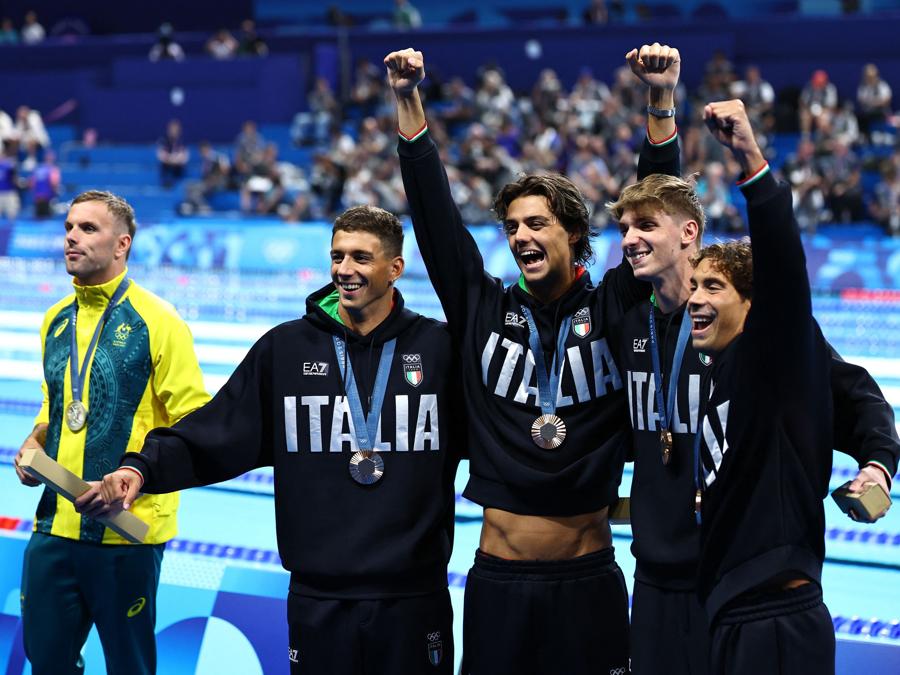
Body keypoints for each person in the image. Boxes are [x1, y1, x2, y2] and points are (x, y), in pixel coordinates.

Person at [612, 45, 899, 675]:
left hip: (756, 593)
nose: (631, 239)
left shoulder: (767, 348)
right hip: (673, 584)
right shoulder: (632, 320)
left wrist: (878, 465)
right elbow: (652, 200)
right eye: (623, 228)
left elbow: (855, 398)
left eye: (713, 290)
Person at [101, 205, 463, 674]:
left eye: (361, 257)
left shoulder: (437, 349)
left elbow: (499, 435)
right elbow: (218, 430)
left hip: (414, 598)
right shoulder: (288, 348)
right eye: (337, 256)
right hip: (319, 599)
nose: (345, 270)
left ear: (395, 268)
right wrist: (142, 468)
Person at [387, 47, 649, 675]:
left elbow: (656, 213)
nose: (522, 237)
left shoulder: (613, 306)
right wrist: (407, 101)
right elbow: (435, 220)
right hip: (499, 581)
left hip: (588, 579)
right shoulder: (483, 306)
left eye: (537, 223)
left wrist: (660, 105)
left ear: (573, 234)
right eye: (511, 227)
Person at [689, 100, 893, 675]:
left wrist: (752, 160)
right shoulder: (718, 368)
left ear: (754, 307)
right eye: (695, 284)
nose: (697, 298)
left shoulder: (771, 353)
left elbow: (782, 264)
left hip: (774, 617)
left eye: (714, 287)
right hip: (732, 612)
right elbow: (855, 398)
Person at [12, 190, 209, 675]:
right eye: (68, 228)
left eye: (87, 229)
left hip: (127, 534)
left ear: (122, 244)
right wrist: (35, 440)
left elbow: (195, 421)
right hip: (54, 526)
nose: (71, 238)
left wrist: (134, 475)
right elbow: (54, 404)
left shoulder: (159, 322)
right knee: (47, 662)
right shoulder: (54, 320)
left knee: (130, 666)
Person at [157, 118, 189, 188]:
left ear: (179, 130)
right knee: (164, 167)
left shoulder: (182, 142)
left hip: (178, 166)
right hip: (167, 164)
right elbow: (160, 155)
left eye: (175, 129)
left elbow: (185, 157)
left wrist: (175, 160)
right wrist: (169, 159)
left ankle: (178, 183)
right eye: (172, 129)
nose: (173, 131)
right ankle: (166, 182)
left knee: (178, 168)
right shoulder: (163, 140)